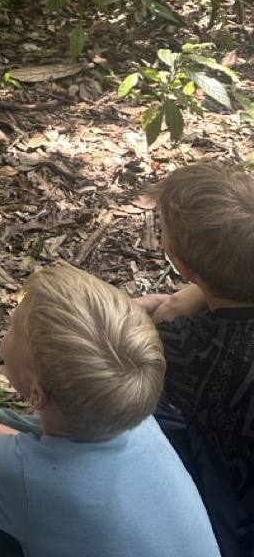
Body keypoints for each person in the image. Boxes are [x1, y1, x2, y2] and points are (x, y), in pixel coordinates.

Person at [0, 262, 220, 557]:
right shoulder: (135, 416)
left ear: (36, 393)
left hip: (23, 487)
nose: (10, 318)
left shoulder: (32, 480)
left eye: (15, 327)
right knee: (11, 426)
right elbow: (40, 462)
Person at [137, 160, 254, 557]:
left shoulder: (186, 351)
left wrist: (172, 302)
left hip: (237, 513)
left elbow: (106, 332)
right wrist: (192, 296)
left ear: (183, 265)